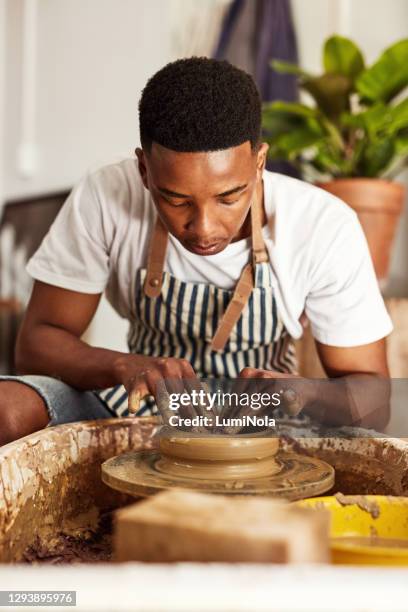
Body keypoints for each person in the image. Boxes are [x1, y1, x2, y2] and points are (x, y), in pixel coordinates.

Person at [0, 58, 392, 446]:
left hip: (264, 418)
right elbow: (35, 344)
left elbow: (375, 401)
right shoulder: (106, 195)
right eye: (175, 199)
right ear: (143, 171)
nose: (203, 228)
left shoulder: (321, 223)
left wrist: (297, 392)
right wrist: (124, 365)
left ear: (258, 163)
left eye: (229, 197)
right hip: (142, 403)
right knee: (8, 409)